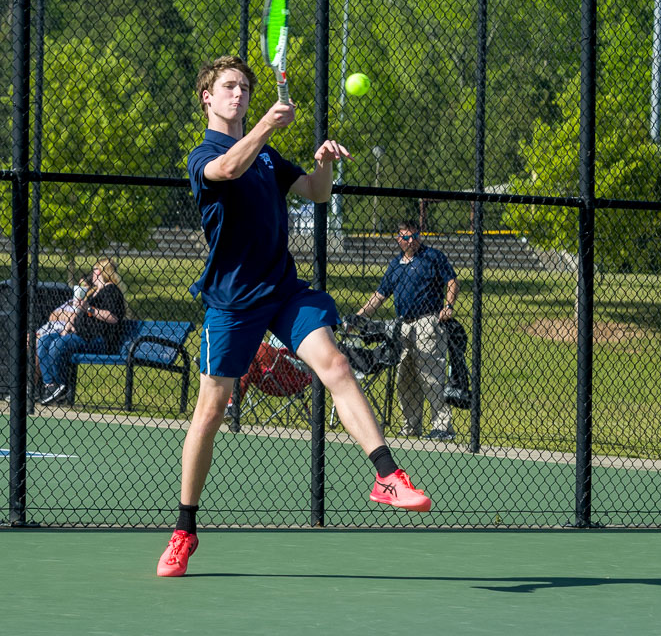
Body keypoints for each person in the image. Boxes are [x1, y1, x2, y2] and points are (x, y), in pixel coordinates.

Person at [156, 55, 432, 579]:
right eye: (228, 87)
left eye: (244, 87)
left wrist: (324, 161)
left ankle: (387, 475)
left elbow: (315, 192)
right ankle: (184, 530)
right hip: (233, 302)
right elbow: (227, 170)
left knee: (336, 366)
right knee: (210, 413)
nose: (238, 94)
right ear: (207, 98)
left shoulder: (267, 158)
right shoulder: (206, 155)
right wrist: (263, 124)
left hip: (284, 290)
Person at [355, 220, 459, 441]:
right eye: (406, 237)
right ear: (398, 239)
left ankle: (442, 427)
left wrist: (448, 305)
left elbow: (451, 281)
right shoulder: (395, 265)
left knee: (431, 376)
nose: (412, 241)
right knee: (405, 376)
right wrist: (359, 316)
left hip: (427, 322)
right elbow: (380, 295)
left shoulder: (432, 257)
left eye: (415, 236)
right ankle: (411, 426)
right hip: (403, 325)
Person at [36, 258, 130, 405]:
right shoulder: (94, 292)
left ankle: (61, 386)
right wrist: (69, 324)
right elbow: (80, 314)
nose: (93, 273)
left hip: (97, 339)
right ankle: (50, 386)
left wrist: (89, 309)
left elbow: (113, 317)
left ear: (101, 271)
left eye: (95, 269)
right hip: (79, 334)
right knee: (44, 340)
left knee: (57, 345)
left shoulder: (111, 290)